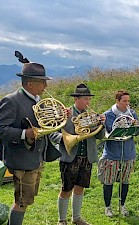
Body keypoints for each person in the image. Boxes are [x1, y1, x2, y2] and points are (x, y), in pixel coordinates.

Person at [0, 62, 56, 225]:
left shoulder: (38, 100)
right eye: (42, 82)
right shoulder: (11, 101)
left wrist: (59, 116)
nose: (45, 85)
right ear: (30, 83)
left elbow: (44, 125)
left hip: (35, 158)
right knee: (22, 201)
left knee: (25, 200)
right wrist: (24, 133)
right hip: (21, 159)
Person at [52, 84, 106, 225]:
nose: (88, 102)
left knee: (80, 187)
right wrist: (64, 140)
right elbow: (52, 134)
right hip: (70, 156)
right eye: (85, 99)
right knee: (66, 188)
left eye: (89, 99)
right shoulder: (65, 113)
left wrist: (102, 124)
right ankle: (61, 220)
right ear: (76, 99)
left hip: (87, 156)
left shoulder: (93, 115)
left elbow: (100, 136)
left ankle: (76, 218)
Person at [99, 90, 139, 217]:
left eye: (128, 101)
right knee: (108, 181)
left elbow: (137, 132)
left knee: (125, 181)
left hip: (128, 153)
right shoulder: (108, 114)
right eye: (124, 101)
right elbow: (105, 133)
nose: (127, 104)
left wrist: (136, 126)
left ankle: (122, 206)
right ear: (117, 101)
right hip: (112, 153)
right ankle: (108, 207)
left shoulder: (132, 113)